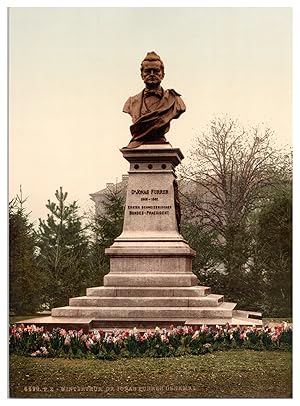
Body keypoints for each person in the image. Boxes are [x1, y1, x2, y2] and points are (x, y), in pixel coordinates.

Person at [123, 51, 186, 148]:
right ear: (141, 74)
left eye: (156, 71)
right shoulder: (131, 102)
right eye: (148, 71)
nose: (152, 74)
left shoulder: (175, 100)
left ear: (163, 74)